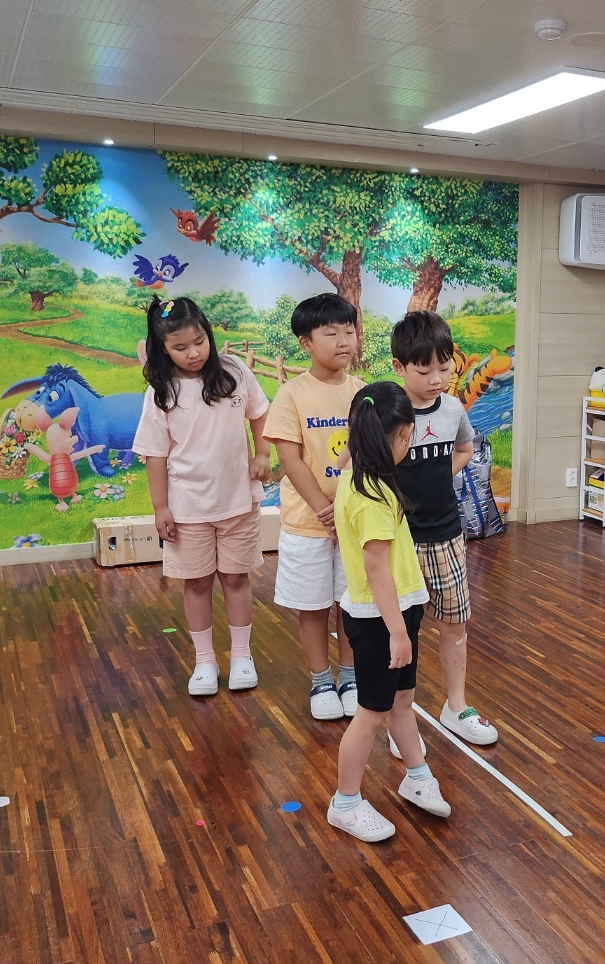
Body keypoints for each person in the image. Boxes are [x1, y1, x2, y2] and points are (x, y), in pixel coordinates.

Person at [328, 382, 451, 842]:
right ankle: (345, 803)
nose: (410, 444)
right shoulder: (372, 497)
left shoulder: (358, 476)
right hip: (381, 620)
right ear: (395, 437)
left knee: (401, 702)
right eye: (407, 436)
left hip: (399, 611)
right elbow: (376, 568)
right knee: (371, 713)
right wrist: (397, 632)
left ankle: (417, 776)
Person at [133, 296, 271, 697]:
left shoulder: (234, 372)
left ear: (208, 334)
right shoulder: (161, 392)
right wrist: (160, 507)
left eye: (199, 342)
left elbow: (260, 413)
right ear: (163, 349)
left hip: (238, 501)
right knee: (196, 584)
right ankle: (205, 661)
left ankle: (242, 656)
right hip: (188, 508)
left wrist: (263, 454)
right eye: (180, 347)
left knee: (236, 578)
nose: (193, 353)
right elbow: (155, 455)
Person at [388, 311, 499, 752]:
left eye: (444, 367)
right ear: (399, 367)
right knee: (404, 634)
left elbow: (466, 448)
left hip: (448, 538)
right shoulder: (389, 412)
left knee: (455, 625)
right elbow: (361, 464)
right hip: (399, 543)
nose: (437, 379)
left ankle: (456, 707)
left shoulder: (453, 409)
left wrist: (438, 478)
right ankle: (400, 720)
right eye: (424, 370)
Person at [264, 293, 364, 720]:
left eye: (349, 331)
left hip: (354, 522)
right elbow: (290, 459)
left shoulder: (363, 393)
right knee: (314, 604)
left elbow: (368, 452)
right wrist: (325, 509)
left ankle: (350, 676)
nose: (344, 341)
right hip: (308, 523)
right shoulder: (292, 394)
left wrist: (344, 509)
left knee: (352, 603)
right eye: (331, 333)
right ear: (306, 342)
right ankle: (321, 679)